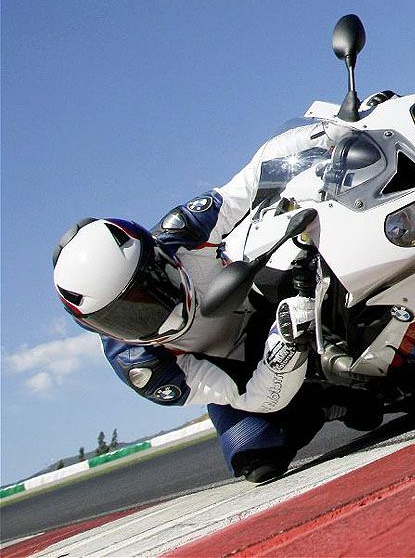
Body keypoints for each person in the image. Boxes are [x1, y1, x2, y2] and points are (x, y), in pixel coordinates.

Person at [52, 119, 360, 482]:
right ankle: (328, 402)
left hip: (270, 295)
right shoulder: (141, 365)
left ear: (157, 255)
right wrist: (285, 346)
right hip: (244, 365)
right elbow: (253, 398)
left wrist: (322, 133)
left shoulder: (182, 231)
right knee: (254, 456)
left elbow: (254, 178)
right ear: (95, 327)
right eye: (125, 315)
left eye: (150, 287)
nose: (152, 312)